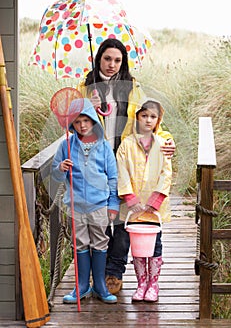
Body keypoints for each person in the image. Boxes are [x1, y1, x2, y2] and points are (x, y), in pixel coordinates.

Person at [77, 38, 176, 294]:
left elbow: (149, 122)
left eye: (117, 60)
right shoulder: (85, 88)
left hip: (124, 162)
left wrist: (166, 141)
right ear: (99, 58)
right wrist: (90, 108)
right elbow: (72, 124)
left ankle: (113, 272)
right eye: (107, 59)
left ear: (123, 62)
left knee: (121, 221)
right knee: (98, 221)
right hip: (95, 163)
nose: (112, 65)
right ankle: (93, 274)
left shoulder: (132, 88)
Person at [51, 98, 120, 304]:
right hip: (76, 204)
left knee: (100, 242)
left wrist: (113, 202)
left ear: (94, 121)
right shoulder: (66, 145)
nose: (82, 125)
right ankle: (82, 286)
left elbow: (112, 176)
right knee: (80, 242)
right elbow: (55, 175)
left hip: (99, 204)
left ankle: (99, 284)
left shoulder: (104, 146)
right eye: (77, 121)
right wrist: (60, 168)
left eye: (86, 120)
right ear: (71, 124)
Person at [116, 98, 172, 302]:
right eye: (144, 115)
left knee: (154, 244)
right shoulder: (127, 145)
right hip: (134, 207)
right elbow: (121, 171)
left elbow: (166, 173)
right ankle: (141, 284)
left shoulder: (162, 144)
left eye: (153, 117)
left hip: (153, 207)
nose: (148, 120)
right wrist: (130, 197)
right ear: (137, 117)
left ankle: (153, 284)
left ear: (158, 120)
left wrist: (155, 200)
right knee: (138, 246)